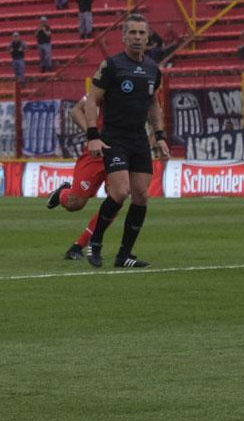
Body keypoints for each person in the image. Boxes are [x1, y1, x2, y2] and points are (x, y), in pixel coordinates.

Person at [83, 13, 170, 269]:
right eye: (132, 33)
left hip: (138, 139)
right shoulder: (112, 66)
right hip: (114, 137)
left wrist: (160, 136)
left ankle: (125, 255)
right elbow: (92, 100)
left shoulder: (154, 70)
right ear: (123, 37)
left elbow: (153, 104)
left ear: (148, 38)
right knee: (120, 192)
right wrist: (93, 136)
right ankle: (95, 243)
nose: (137, 38)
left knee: (141, 196)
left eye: (142, 33)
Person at [46, 97, 112, 260]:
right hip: (97, 153)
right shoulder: (107, 81)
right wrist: (93, 135)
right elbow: (76, 111)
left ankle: (79, 246)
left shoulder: (143, 80)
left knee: (116, 198)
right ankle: (63, 193)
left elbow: (154, 110)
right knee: (75, 203)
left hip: (124, 151)